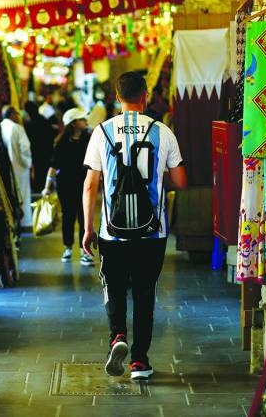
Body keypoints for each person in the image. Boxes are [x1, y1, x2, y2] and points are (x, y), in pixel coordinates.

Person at [82, 71, 187, 381]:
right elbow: (180, 181)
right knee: (144, 291)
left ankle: (117, 336)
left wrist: (88, 228)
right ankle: (140, 360)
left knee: (113, 285)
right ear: (144, 97)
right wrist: (155, 178)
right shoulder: (163, 132)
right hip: (152, 231)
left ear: (117, 98)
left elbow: (91, 185)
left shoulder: (101, 132)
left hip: (111, 231)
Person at [42, 107, 93, 265]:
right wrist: (47, 186)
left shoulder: (89, 139)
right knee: (68, 217)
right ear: (73, 123)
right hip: (65, 184)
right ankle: (68, 247)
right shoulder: (60, 142)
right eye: (82, 119)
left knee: (84, 218)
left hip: (84, 184)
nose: (85, 121)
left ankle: (85, 250)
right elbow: (53, 165)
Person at [0, 105, 33, 231]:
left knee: (12, 194)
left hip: (7, 167)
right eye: (16, 114)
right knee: (22, 194)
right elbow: (25, 147)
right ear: (12, 114)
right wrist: (28, 163)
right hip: (20, 166)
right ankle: (24, 222)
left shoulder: (1, 126)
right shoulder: (17, 128)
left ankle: (14, 224)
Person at [24, 100, 57, 194]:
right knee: (44, 167)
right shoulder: (42, 119)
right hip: (46, 149)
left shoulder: (29, 123)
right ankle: (44, 185)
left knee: (38, 168)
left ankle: (38, 186)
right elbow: (50, 133)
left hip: (36, 150)